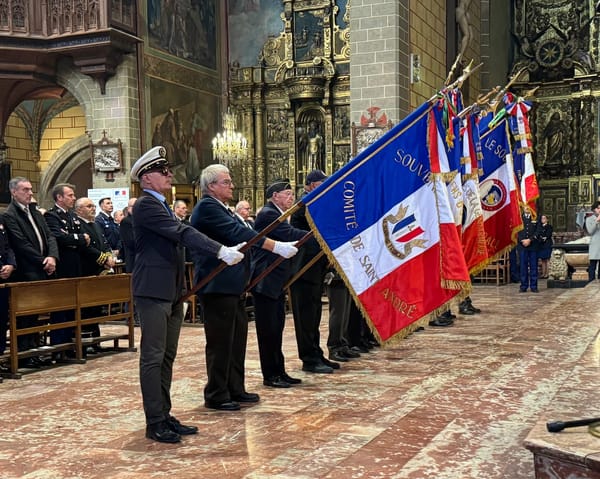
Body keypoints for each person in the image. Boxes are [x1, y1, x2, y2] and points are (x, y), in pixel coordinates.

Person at [130, 146, 245, 443]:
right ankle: (154, 420)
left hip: (171, 290)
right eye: (162, 171)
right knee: (153, 357)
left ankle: (164, 414)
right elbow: (182, 233)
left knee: (167, 356)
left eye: (168, 170)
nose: (169, 175)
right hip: (153, 290)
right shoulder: (146, 205)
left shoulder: (163, 204)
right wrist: (220, 250)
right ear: (145, 179)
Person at [191, 164, 298, 411]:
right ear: (211, 186)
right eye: (226, 182)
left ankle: (235, 388)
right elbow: (239, 233)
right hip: (216, 284)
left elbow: (246, 231)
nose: (231, 185)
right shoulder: (207, 207)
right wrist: (276, 247)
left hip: (233, 284)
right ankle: (217, 393)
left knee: (236, 340)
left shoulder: (223, 208)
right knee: (220, 343)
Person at [251, 179, 307, 388]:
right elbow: (289, 234)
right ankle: (271, 374)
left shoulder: (278, 214)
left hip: (275, 280)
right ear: (275, 196)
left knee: (277, 327)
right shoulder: (268, 214)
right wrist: (316, 234)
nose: (291, 198)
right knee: (268, 331)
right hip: (265, 279)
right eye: (288, 194)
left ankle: (279, 371)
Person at [3, 177, 58, 366]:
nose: (30, 193)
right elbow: (20, 244)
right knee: (25, 316)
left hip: (43, 269)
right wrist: (43, 260)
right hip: (27, 271)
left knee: (37, 314)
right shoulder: (9, 215)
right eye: (25, 189)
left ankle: (32, 352)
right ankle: (23, 354)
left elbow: (50, 236)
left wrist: (52, 257)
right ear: (14, 192)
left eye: (30, 189)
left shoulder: (35, 212)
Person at [290, 169, 339, 373]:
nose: (324, 187)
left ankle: (316, 353)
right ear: (310, 185)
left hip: (315, 268)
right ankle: (309, 358)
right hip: (303, 268)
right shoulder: (304, 205)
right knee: (306, 316)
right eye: (320, 184)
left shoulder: (317, 203)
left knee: (315, 314)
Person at [44, 183, 90, 345]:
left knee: (74, 308)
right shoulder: (52, 216)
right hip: (63, 267)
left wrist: (75, 238)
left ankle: (72, 342)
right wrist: (77, 238)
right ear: (59, 198)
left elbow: (83, 238)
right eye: (70, 195)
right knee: (61, 309)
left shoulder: (72, 216)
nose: (74, 198)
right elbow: (59, 238)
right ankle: (59, 344)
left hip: (76, 266)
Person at [74, 197, 116, 344]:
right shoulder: (78, 225)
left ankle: (95, 340)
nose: (93, 208)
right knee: (86, 309)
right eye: (89, 206)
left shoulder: (95, 225)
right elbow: (86, 248)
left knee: (96, 308)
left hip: (99, 271)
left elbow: (104, 243)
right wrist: (103, 259)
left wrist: (109, 257)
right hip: (86, 269)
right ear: (79, 209)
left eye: (93, 206)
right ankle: (86, 342)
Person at [325, 269, 361, 362]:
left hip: (346, 275)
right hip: (334, 276)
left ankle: (343, 345)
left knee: (345, 314)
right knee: (338, 314)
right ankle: (334, 347)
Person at [0, 213, 16, 358]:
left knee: (2, 319)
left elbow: (8, 246)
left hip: (4, 277)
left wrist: (10, 264)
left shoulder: (1, 218)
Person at [517, 206, 541, 292]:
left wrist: (530, 240)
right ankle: (523, 286)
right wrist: (522, 240)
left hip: (533, 245)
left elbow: (538, 230)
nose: (527, 208)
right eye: (525, 206)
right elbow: (516, 231)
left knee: (533, 266)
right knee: (523, 266)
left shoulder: (536, 217)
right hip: (522, 245)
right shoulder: (518, 218)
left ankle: (534, 286)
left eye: (528, 206)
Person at [119, 197, 137, 273]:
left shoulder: (140, 220)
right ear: (129, 208)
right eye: (135, 206)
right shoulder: (126, 221)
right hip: (134, 259)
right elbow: (131, 242)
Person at [586, 201, 600, 281]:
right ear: (594, 209)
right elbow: (590, 231)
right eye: (598, 208)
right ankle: (591, 282)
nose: (599, 210)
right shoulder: (589, 219)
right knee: (593, 266)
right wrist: (597, 221)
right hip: (595, 245)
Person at [537, 214, 554, 279]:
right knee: (543, 259)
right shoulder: (539, 227)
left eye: (544, 218)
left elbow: (548, 234)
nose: (543, 220)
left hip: (547, 244)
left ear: (547, 219)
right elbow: (538, 234)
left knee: (547, 259)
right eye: (542, 218)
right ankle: (543, 273)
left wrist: (545, 237)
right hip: (541, 244)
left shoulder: (549, 226)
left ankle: (548, 273)